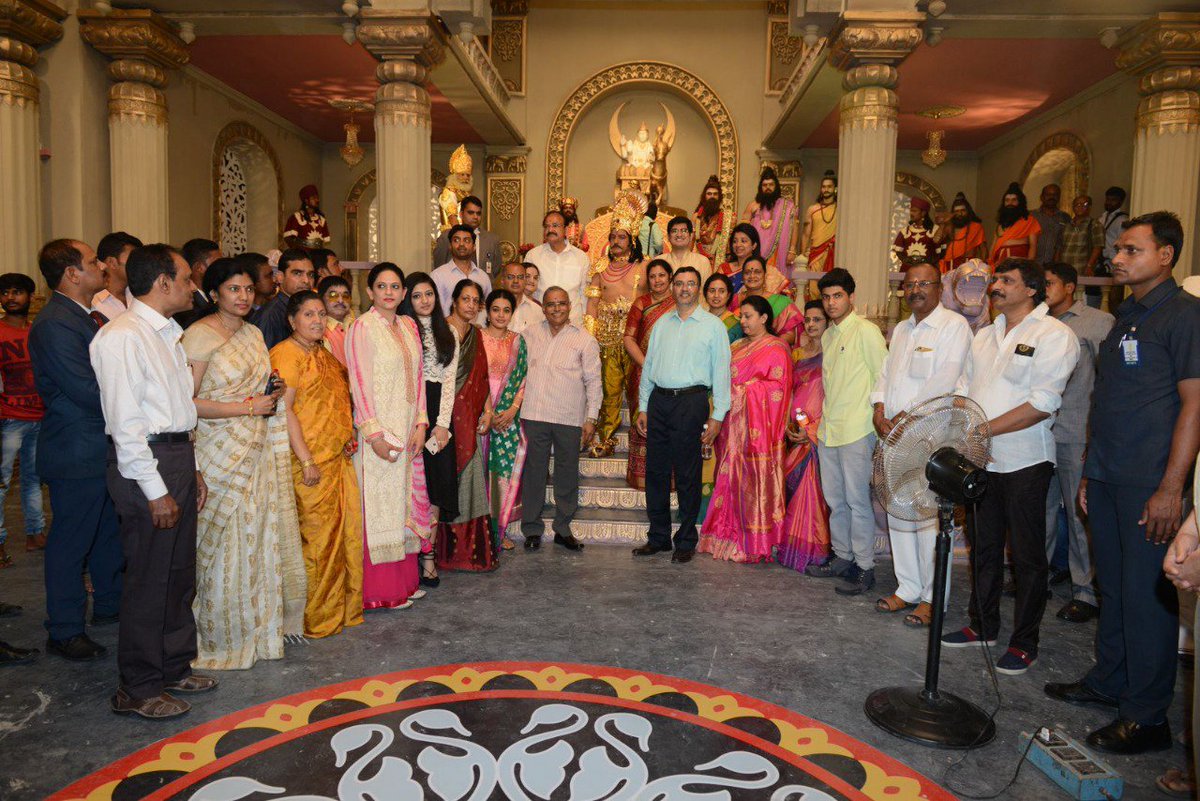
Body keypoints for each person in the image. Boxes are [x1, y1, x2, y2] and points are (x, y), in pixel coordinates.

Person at [1047, 212, 1200, 754]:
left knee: (1143, 597)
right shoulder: (1128, 315)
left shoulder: (1184, 316)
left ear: (1166, 256)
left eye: (1132, 249)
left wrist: (1170, 489)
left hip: (1147, 481)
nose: (1118, 257)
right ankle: (1110, 681)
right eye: (1118, 249)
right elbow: (1106, 399)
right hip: (1108, 473)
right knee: (1112, 587)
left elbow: (1194, 405)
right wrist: (1090, 468)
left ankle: (1148, 716)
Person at [91, 243, 214, 719]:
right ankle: (137, 687)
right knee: (149, 578)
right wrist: (156, 489)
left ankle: (173, 666)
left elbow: (177, 410)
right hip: (147, 466)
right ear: (163, 282)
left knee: (179, 572)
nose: (191, 286)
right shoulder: (122, 337)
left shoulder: (166, 333)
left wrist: (193, 466)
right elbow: (126, 424)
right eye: (186, 278)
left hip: (176, 455)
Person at [942, 258, 1078, 676]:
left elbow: (1042, 402)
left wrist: (981, 430)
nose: (995, 286)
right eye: (996, 280)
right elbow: (963, 387)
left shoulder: (1055, 335)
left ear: (1031, 289)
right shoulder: (985, 334)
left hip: (1025, 461)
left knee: (1027, 556)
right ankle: (982, 625)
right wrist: (967, 428)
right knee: (982, 546)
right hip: (982, 461)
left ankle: (1024, 642)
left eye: (1006, 281)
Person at [183, 257, 305, 670]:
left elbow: (259, 389)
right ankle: (220, 637)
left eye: (248, 289)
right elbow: (186, 403)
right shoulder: (199, 336)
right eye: (234, 289)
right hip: (219, 452)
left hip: (256, 452)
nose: (243, 296)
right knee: (222, 547)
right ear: (214, 292)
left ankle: (258, 633)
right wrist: (246, 406)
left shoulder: (254, 333)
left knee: (257, 538)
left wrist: (271, 391)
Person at [29, 239, 121, 662]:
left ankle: (109, 605)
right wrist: (135, 398)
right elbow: (85, 389)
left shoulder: (83, 316)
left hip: (97, 445)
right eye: (90, 262)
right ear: (71, 274)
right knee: (71, 542)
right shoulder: (54, 324)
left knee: (105, 532)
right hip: (76, 447)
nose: (100, 266)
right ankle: (64, 629)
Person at [870, 263, 972, 626]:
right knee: (899, 512)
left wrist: (906, 416)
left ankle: (932, 597)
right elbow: (886, 373)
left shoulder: (953, 326)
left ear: (939, 288)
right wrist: (879, 407)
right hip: (896, 436)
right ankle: (908, 588)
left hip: (931, 435)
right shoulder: (901, 329)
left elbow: (945, 377)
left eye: (923, 283)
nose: (915, 289)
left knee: (929, 518)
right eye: (910, 284)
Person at [270, 290, 363, 640]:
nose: (317, 321)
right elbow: (285, 410)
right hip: (307, 464)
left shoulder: (321, 353)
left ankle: (340, 611)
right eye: (308, 314)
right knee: (316, 543)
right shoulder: (286, 354)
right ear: (292, 320)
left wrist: (347, 433)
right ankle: (313, 618)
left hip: (337, 459)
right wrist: (306, 459)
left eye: (321, 314)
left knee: (345, 537)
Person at [345, 263, 432, 609]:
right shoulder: (361, 328)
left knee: (403, 507)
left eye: (395, 286)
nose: (389, 293)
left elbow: (420, 378)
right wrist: (373, 434)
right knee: (379, 508)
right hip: (379, 435)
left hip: (409, 429)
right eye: (381, 286)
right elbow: (359, 383)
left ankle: (405, 583)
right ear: (369, 292)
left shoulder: (409, 325)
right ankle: (378, 592)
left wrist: (421, 423)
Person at [632, 266, 731, 564]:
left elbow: (722, 373)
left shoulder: (713, 326)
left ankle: (686, 539)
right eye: (679, 283)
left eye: (690, 284)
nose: (684, 288)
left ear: (698, 289)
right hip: (659, 402)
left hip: (692, 402)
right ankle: (658, 537)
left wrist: (718, 416)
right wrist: (644, 406)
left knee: (687, 474)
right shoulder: (661, 324)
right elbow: (648, 368)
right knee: (656, 472)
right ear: (672, 288)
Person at [804, 268, 887, 596]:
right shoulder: (828, 335)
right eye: (826, 297)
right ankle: (842, 557)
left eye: (837, 296)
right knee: (835, 500)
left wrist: (880, 420)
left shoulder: (866, 331)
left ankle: (865, 567)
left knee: (856, 500)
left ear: (851, 297)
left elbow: (883, 376)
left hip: (857, 428)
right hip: (830, 429)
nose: (831, 302)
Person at [1041, 262, 1113, 623]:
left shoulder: (1097, 322)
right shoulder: (1036, 321)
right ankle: (1037, 578)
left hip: (1075, 429)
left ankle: (1086, 591)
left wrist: (1094, 436)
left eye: (1050, 283)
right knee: (1041, 510)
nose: (1044, 288)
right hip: (1038, 431)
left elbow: (1108, 384)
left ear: (1070, 287)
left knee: (1077, 511)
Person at [697, 294, 790, 563]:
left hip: (759, 436)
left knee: (753, 484)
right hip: (731, 432)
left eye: (749, 316)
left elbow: (779, 390)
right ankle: (725, 535)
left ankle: (753, 542)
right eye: (742, 316)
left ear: (764, 318)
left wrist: (743, 392)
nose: (744, 321)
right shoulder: (736, 347)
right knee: (729, 479)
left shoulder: (777, 348)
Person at [519, 287, 601, 551]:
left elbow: (594, 382)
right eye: (551, 304)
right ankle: (531, 529)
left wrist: (591, 417)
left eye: (561, 304)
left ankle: (562, 528)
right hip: (534, 414)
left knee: (566, 474)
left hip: (569, 417)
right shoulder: (528, 335)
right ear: (543, 308)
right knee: (533, 473)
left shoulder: (584, 340)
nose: (556, 308)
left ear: (569, 307)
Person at [400, 270, 458, 587]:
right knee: (409, 485)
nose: (424, 300)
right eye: (417, 295)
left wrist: (442, 425)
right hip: (408, 410)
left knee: (435, 488)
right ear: (408, 299)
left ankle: (428, 555)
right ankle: (405, 556)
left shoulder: (447, 331)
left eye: (429, 294)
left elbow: (448, 384)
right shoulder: (401, 329)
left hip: (438, 414)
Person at [437, 280, 496, 571]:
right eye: (466, 300)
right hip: (441, 419)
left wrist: (486, 410)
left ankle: (465, 552)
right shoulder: (439, 330)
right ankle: (440, 552)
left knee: (470, 479)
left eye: (476, 301)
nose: (471, 306)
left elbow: (482, 377)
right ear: (454, 301)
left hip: (469, 417)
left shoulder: (476, 334)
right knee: (443, 477)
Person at [584, 193, 645, 458]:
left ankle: (640, 441)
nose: (616, 241)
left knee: (637, 391)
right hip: (606, 343)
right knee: (608, 394)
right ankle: (606, 439)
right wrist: (590, 339)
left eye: (621, 236)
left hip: (634, 342)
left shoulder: (645, 268)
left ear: (632, 239)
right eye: (613, 237)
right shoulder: (599, 269)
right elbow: (592, 307)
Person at [778, 300, 831, 572]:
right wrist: (792, 423)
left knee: (814, 490)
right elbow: (790, 391)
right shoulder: (796, 354)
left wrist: (814, 429)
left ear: (827, 322)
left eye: (817, 320)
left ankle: (815, 548)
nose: (811, 325)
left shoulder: (833, 353)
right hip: (798, 424)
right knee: (794, 485)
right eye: (807, 320)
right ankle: (794, 546)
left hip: (821, 429)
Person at [0, 273, 46, 566]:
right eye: (4, 293)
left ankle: (35, 533)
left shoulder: (38, 331)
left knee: (33, 479)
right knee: (2, 481)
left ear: (30, 296)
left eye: (17, 292)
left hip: (40, 416)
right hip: (8, 417)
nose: (10, 298)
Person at [480, 288, 527, 551]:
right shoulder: (476, 338)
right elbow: (475, 377)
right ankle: (480, 531)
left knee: (502, 475)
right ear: (487, 310)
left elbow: (522, 380)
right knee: (480, 474)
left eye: (506, 310)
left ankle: (500, 530)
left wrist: (511, 411)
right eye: (495, 309)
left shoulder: (518, 341)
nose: (500, 315)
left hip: (508, 416)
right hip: (481, 412)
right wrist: (488, 410)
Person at [623, 260, 676, 490]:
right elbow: (628, 339)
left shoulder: (678, 305)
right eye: (653, 276)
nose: (657, 280)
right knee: (643, 421)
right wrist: (647, 366)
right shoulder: (641, 303)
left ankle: (670, 477)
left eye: (662, 275)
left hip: (673, 373)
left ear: (670, 277)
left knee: (670, 423)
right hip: (642, 372)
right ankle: (641, 476)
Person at [525, 211, 590, 326]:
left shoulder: (581, 257)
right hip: (540, 323)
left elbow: (584, 294)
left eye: (555, 226)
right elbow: (526, 290)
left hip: (572, 324)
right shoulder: (533, 255)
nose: (550, 230)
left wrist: (585, 324)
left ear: (565, 230)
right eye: (546, 226)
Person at [253, 249, 315, 350]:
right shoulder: (270, 315)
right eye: (298, 273)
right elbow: (268, 360)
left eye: (310, 275)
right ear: (280, 277)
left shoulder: (302, 309)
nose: (306, 280)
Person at [731, 256, 800, 344]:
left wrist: (763, 346)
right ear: (742, 276)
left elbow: (790, 336)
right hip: (736, 352)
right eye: (747, 272)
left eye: (757, 272)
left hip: (768, 352)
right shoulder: (733, 300)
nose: (752, 276)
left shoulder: (781, 302)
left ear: (765, 275)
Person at [433, 195, 504, 278]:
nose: (475, 217)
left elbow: (496, 269)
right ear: (461, 214)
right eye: (470, 212)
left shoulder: (492, 239)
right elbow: (439, 263)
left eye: (478, 213)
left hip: (483, 287)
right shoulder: (447, 236)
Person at [433, 224, 492, 321]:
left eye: (466, 240)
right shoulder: (438, 276)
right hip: (448, 332)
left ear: (474, 247)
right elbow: (435, 311)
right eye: (456, 240)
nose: (461, 244)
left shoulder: (483, 277)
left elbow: (488, 308)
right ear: (450, 246)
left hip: (478, 332)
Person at [743, 166, 797, 271]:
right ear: (760, 187)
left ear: (776, 187)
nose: (768, 188)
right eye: (765, 185)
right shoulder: (752, 206)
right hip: (756, 252)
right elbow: (744, 231)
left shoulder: (787, 206)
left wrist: (792, 250)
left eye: (771, 185)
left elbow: (794, 227)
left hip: (778, 252)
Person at [1056, 196, 1106, 310]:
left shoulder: (1094, 225)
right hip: (1065, 269)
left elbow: (1098, 246)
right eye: (1077, 204)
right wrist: (1057, 266)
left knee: (1081, 303)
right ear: (1073, 207)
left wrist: (1090, 265)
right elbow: (1059, 247)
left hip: (1082, 269)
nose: (1080, 207)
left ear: (1089, 207)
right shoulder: (1066, 225)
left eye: (1084, 205)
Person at [92, 231, 142, 320]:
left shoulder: (141, 295)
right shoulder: (93, 301)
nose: (139, 265)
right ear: (112, 262)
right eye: (133, 259)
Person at [989, 182, 1041, 267]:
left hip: (1019, 265)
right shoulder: (1001, 224)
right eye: (1007, 200)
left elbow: (1033, 246)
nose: (1010, 203)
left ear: (1020, 202)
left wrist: (1028, 265)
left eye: (1014, 200)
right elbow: (994, 245)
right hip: (999, 264)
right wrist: (990, 262)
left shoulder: (1030, 221)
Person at [174, 238, 221, 329]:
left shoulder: (215, 295)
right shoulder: (184, 303)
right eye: (217, 263)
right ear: (199, 268)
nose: (221, 268)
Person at [935, 193, 987, 274]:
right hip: (950, 264)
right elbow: (936, 240)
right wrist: (943, 223)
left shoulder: (976, 227)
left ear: (968, 211)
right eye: (957, 211)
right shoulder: (949, 227)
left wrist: (982, 268)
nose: (960, 214)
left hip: (969, 265)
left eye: (963, 211)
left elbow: (983, 249)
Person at [799, 171, 837, 272]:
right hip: (815, 252)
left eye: (829, 187)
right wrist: (803, 255)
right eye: (824, 187)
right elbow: (806, 234)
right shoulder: (812, 209)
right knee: (814, 285)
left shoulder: (840, 208)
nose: (826, 189)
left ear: (835, 189)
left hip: (834, 251)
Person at [892, 197, 943, 269]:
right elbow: (899, 252)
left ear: (923, 213)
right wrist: (907, 260)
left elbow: (940, 253)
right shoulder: (905, 231)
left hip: (927, 271)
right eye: (911, 210)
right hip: (907, 271)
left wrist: (927, 262)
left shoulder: (935, 230)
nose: (911, 213)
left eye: (914, 211)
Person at [662, 216, 713, 285]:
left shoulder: (703, 262)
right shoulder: (660, 261)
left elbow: (706, 292)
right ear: (668, 236)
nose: (679, 235)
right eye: (674, 231)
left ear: (691, 236)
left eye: (684, 231)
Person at [318, 274, 355, 367]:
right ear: (321, 299)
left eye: (345, 296)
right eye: (333, 295)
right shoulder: (318, 331)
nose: (340, 300)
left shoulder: (357, 325)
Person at [1032, 183, 1071, 265]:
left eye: (1055, 194)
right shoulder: (1031, 216)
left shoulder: (1065, 218)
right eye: (1048, 194)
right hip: (1032, 263)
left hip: (1054, 265)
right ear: (1042, 197)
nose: (1051, 197)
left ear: (1059, 197)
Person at [718, 222, 761, 297]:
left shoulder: (762, 269)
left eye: (743, 241)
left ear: (754, 245)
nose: (738, 245)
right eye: (735, 241)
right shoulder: (724, 268)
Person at [283, 184, 332, 250]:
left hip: (319, 256)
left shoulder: (321, 219)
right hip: (303, 256)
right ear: (306, 200)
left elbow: (325, 241)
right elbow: (289, 239)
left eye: (317, 198)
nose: (317, 200)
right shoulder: (296, 217)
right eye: (313, 198)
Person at [692, 175, 726, 267]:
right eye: (709, 194)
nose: (712, 196)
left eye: (715, 194)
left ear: (719, 197)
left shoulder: (726, 218)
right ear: (704, 196)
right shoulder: (696, 216)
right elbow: (692, 240)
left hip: (718, 257)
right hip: (698, 256)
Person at [499, 261, 542, 334]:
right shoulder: (492, 308)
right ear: (502, 281)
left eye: (520, 277)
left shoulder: (537, 310)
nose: (516, 281)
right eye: (510, 277)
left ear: (525, 281)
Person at [439, 145, 474, 230]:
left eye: (468, 175)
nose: (466, 178)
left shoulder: (465, 194)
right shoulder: (449, 192)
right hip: (453, 234)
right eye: (462, 174)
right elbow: (452, 218)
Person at [703, 273, 741, 344]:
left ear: (728, 295)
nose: (716, 295)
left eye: (722, 291)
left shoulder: (736, 325)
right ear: (705, 293)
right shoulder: (699, 319)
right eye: (712, 291)